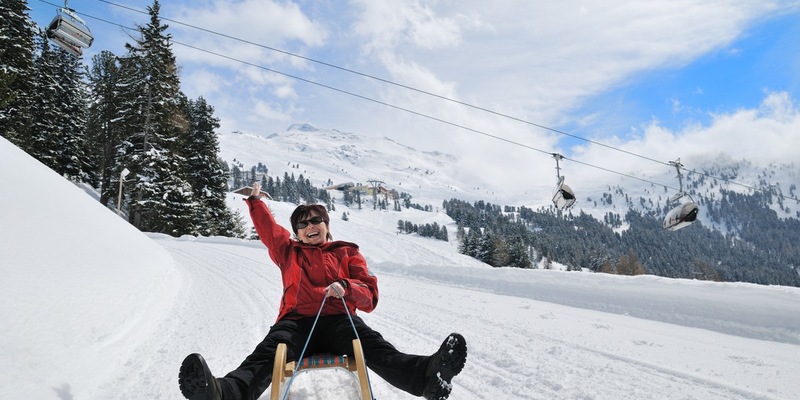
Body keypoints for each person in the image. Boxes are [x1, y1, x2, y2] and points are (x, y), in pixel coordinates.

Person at [178, 182, 467, 400]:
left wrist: (346, 286)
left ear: (327, 226)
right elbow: (269, 230)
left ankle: (426, 377)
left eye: (316, 220)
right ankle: (223, 393)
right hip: (295, 323)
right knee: (268, 353)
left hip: (339, 321)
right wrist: (254, 201)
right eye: (302, 224)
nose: (310, 226)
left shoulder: (347, 252)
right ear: (297, 234)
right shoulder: (287, 252)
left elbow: (369, 296)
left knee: (375, 347)